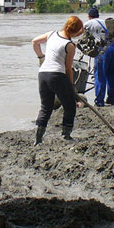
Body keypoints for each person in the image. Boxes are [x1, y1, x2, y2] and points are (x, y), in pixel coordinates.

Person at [31, 16, 84, 145]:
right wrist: (71, 86)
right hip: (57, 75)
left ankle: (38, 139)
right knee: (70, 105)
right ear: (75, 32)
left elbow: (34, 42)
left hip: (42, 74)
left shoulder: (51, 34)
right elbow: (68, 69)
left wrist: (41, 57)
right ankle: (66, 135)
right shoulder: (70, 45)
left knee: (46, 107)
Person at [84, 7, 114, 107]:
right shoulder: (105, 22)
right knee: (111, 75)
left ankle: (99, 101)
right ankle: (111, 99)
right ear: (98, 15)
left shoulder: (88, 23)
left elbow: (82, 36)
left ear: (89, 16)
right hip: (112, 49)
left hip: (102, 51)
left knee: (99, 76)